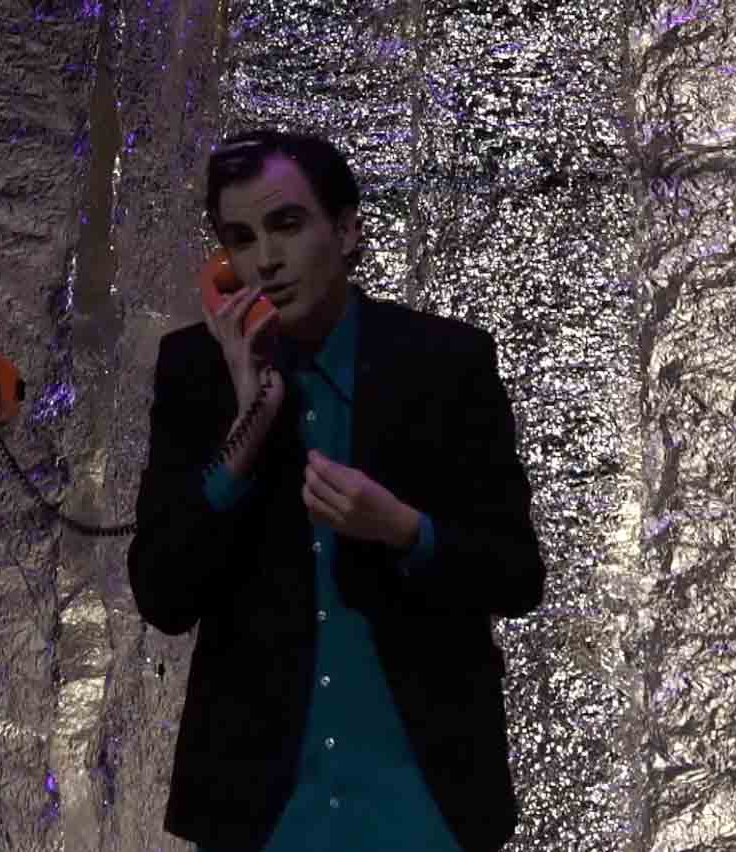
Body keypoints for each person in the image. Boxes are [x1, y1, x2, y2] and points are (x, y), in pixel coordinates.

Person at [125, 129, 546, 852]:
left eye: (286, 224)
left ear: (347, 231)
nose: (266, 259)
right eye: (240, 239)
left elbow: (515, 575)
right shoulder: (196, 370)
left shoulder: (445, 363)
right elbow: (162, 595)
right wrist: (248, 425)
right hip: (262, 815)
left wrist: (405, 530)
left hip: (422, 809)